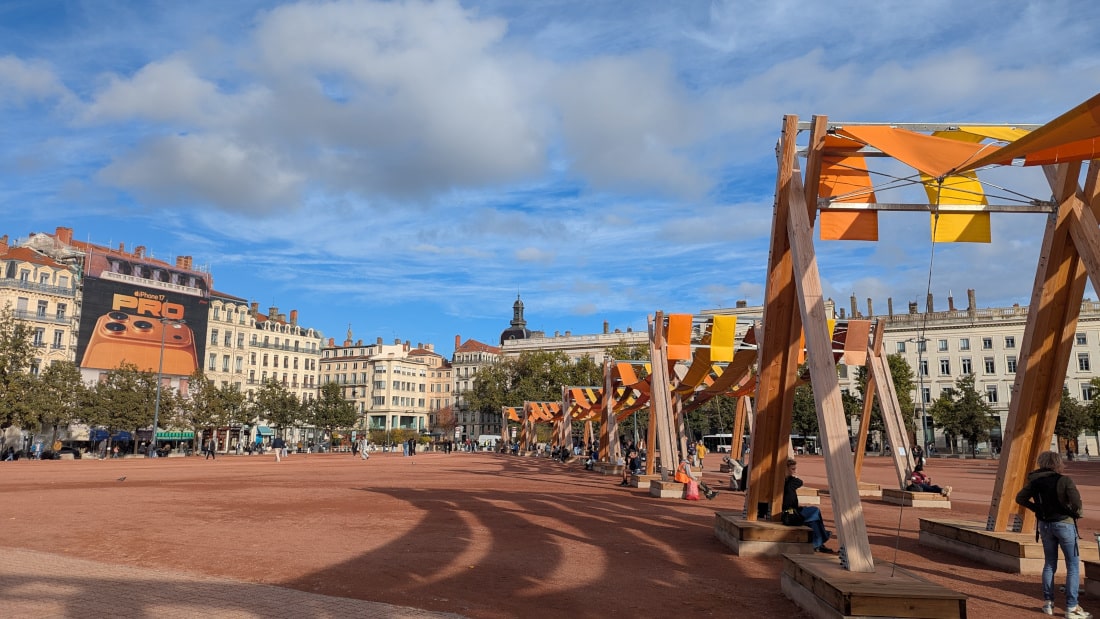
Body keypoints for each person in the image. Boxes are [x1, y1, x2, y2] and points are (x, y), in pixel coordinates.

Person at [1016, 451, 1091, 618]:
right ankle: (1071, 607)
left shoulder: (1034, 482)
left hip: (1044, 525)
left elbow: (1020, 498)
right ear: (1057, 463)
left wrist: (1038, 509)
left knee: (1050, 563)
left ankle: (1048, 603)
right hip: (1064, 524)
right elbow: (1077, 503)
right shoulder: (1064, 480)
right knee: (1072, 565)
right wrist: (1075, 513)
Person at [783, 458, 833, 553]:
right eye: (792, 469)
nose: (795, 471)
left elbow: (799, 482)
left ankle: (819, 544)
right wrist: (791, 477)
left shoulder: (789, 481)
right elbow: (799, 482)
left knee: (814, 521)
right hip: (789, 513)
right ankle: (822, 538)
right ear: (786, 470)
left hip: (794, 511)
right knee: (815, 511)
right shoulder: (787, 483)